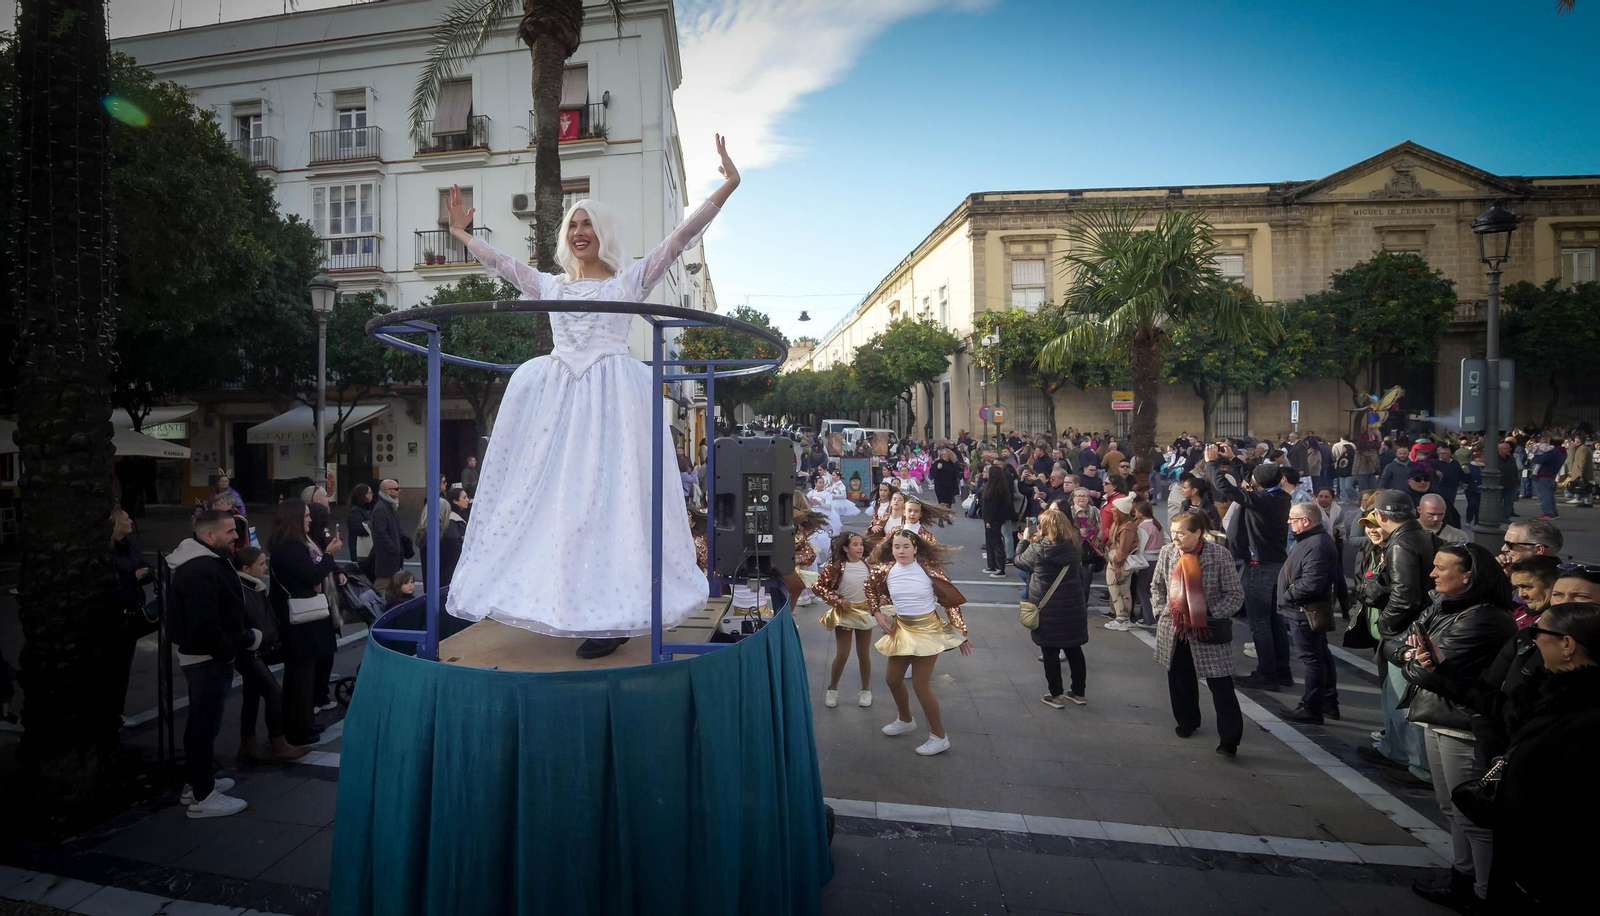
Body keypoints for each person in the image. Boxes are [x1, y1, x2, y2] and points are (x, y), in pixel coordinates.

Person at [442, 136, 741, 660]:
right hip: (557, 404)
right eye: (572, 225)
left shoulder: (628, 282)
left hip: (612, 404)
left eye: (588, 224)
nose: (579, 232)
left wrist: (726, 188)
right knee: (554, 505)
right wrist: (461, 233)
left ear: (602, 233)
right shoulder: (551, 286)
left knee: (613, 504)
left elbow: (679, 238)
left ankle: (615, 615)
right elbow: (502, 264)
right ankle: (561, 603)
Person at [1385, 543, 1514, 912]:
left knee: (1470, 813)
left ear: (1468, 576)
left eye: (1442, 568)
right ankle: (1463, 874)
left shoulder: (1486, 619)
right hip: (1437, 717)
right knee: (1449, 806)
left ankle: (1483, 891)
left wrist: (1414, 657)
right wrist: (1413, 654)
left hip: (1462, 724)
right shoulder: (1443, 605)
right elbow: (1398, 643)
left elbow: (1426, 670)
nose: (1432, 573)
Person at [1482, 601, 1600, 910]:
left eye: (1538, 630)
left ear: (1567, 645)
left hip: (1543, 875)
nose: (1532, 638)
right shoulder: (1545, 695)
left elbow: (1573, 810)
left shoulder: (1585, 718)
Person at [167, 510, 255, 818]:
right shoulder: (200, 568)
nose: (235, 536)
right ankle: (202, 798)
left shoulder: (207, 561)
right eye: (230, 531)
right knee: (204, 725)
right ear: (209, 536)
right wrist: (228, 650)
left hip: (207, 656)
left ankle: (196, 782)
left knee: (203, 723)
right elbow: (204, 622)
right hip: (206, 659)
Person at [867, 530, 972, 756]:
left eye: (906, 546)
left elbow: (950, 602)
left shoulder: (929, 571)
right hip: (902, 628)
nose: (901, 551)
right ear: (891, 549)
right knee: (892, 679)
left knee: (920, 685)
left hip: (927, 631)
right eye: (897, 547)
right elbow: (869, 589)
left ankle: (939, 737)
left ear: (915, 548)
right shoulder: (885, 571)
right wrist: (877, 612)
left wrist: (961, 632)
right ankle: (905, 719)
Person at [1153, 509, 1245, 756]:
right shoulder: (1168, 552)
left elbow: (1235, 594)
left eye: (1181, 533)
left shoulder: (1219, 555)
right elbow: (1157, 586)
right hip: (1176, 629)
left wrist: (1208, 614)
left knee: (1221, 686)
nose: (1175, 538)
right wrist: (1161, 611)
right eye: (1173, 532)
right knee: (1180, 680)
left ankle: (1229, 739)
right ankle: (1186, 721)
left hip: (1209, 630)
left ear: (1198, 533)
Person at [1367, 488, 1439, 787]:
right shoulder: (1417, 536)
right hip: (1409, 628)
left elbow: (1405, 595)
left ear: (1381, 516)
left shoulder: (1403, 543)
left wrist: (1386, 625)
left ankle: (1417, 765)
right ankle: (1395, 752)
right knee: (1393, 695)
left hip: (1406, 631)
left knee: (1403, 698)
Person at [1210, 448, 1293, 690]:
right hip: (1276, 563)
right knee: (1275, 620)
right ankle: (1282, 670)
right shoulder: (1278, 496)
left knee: (1260, 623)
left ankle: (1266, 673)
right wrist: (1235, 459)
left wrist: (1212, 464)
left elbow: (1227, 488)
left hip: (1259, 566)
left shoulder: (1262, 500)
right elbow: (1253, 478)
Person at [267, 499, 343, 748]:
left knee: (307, 676)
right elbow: (312, 573)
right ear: (295, 519)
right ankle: (298, 729)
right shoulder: (288, 547)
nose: (310, 519)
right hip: (298, 620)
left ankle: (306, 723)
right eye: (306, 516)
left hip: (308, 617)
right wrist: (330, 554)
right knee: (299, 678)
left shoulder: (298, 544)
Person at [232, 547, 304, 764]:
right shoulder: (242, 587)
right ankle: (278, 742)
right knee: (273, 693)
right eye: (261, 564)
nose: (265, 567)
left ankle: (248, 743)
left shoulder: (253, 585)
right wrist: (252, 639)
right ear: (246, 568)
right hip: (249, 651)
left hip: (254, 648)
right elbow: (237, 622)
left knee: (252, 696)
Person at [1015, 509, 1089, 707]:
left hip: (1047, 607)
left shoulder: (1039, 547)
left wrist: (1024, 541)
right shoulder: (1073, 546)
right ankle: (1078, 692)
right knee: (1074, 648)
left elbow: (1020, 562)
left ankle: (1055, 694)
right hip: (1072, 605)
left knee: (1050, 651)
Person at [1279, 503, 1340, 724]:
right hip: (1305, 609)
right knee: (1320, 655)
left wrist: (1288, 596)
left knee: (1312, 659)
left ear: (1306, 521)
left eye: (1292, 519)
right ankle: (1327, 702)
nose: (1289, 522)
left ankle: (1312, 705)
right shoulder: (1311, 540)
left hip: (1305, 610)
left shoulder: (1316, 544)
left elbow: (1312, 582)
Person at [812, 533, 875, 710]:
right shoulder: (837, 566)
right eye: (855, 544)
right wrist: (838, 600)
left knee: (864, 654)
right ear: (846, 548)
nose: (860, 547)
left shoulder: (869, 565)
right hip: (845, 614)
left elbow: (877, 587)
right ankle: (832, 689)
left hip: (863, 613)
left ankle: (866, 690)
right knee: (843, 654)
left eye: (861, 544)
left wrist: (879, 601)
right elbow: (819, 586)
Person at [109, 504, 154, 728]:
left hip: (134, 610)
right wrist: (131, 577)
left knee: (124, 666)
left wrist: (145, 574)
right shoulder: (107, 552)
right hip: (115, 614)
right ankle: (111, 713)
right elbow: (110, 584)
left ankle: (117, 711)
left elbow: (144, 566)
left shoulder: (131, 546)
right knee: (115, 666)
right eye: (127, 518)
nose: (131, 522)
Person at [1103, 496, 1140, 631]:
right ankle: (1122, 617)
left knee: (1119, 589)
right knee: (1117, 589)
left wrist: (1117, 565)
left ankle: (1122, 618)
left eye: (1114, 507)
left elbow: (1123, 549)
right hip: (1115, 560)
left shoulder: (1127, 527)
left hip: (1119, 562)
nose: (1112, 509)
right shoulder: (1122, 525)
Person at [1131, 499, 1164, 629]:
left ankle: (1148, 618)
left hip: (1146, 560)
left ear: (1141, 513)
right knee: (1151, 589)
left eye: (1136, 511)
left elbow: (1141, 547)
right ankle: (1151, 616)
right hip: (1157, 559)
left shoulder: (1143, 527)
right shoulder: (1158, 524)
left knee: (1142, 589)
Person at [368, 478, 405, 591]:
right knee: (383, 586)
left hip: (391, 557)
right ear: (388, 491)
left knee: (391, 586)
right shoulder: (381, 509)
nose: (400, 491)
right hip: (386, 558)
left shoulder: (389, 506)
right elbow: (380, 533)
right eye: (397, 489)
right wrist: (393, 549)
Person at [981, 465, 1015, 578]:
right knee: (992, 542)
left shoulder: (996, 489)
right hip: (992, 518)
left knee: (996, 543)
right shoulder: (997, 486)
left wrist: (989, 520)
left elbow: (994, 506)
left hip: (993, 519)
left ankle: (1000, 568)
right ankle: (993, 565)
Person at [346, 483, 374, 563]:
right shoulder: (356, 512)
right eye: (370, 493)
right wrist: (373, 525)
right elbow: (357, 528)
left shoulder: (366, 509)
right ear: (364, 495)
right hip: (360, 550)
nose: (372, 495)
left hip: (365, 549)